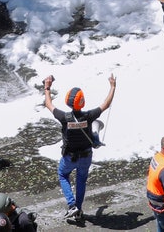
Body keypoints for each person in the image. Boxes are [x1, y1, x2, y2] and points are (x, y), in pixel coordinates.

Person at [44, 72, 117, 224]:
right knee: (81, 181)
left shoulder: (64, 118)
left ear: (68, 102)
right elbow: (106, 103)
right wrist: (112, 86)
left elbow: (49, 104)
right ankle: (78, 208)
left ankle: (72, 206)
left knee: (63, 175)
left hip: (69, 156)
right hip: (86, 156)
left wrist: (47, 88)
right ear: (82, 102)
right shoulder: (89, 116)